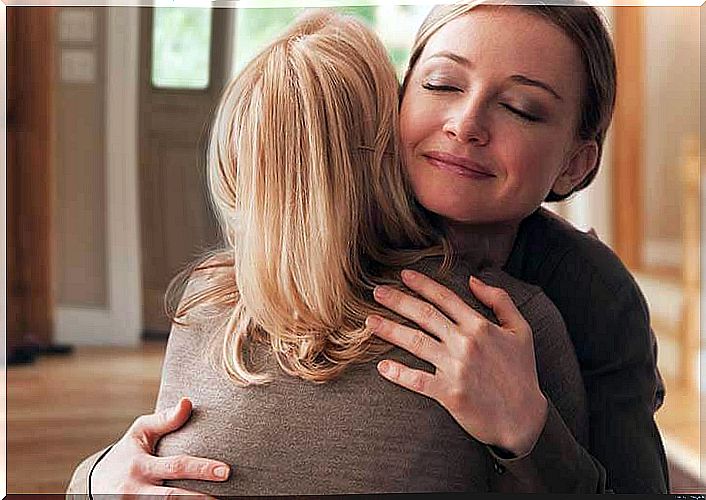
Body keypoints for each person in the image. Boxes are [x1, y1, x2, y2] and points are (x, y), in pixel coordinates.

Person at [68, 1, 668, 494]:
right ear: (398, 99)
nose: (465, 123)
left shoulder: (590, 293)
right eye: (439, 83)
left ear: (574, 164)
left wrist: (526, 427)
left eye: (521, 108)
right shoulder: (295, 265)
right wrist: (98, 476)